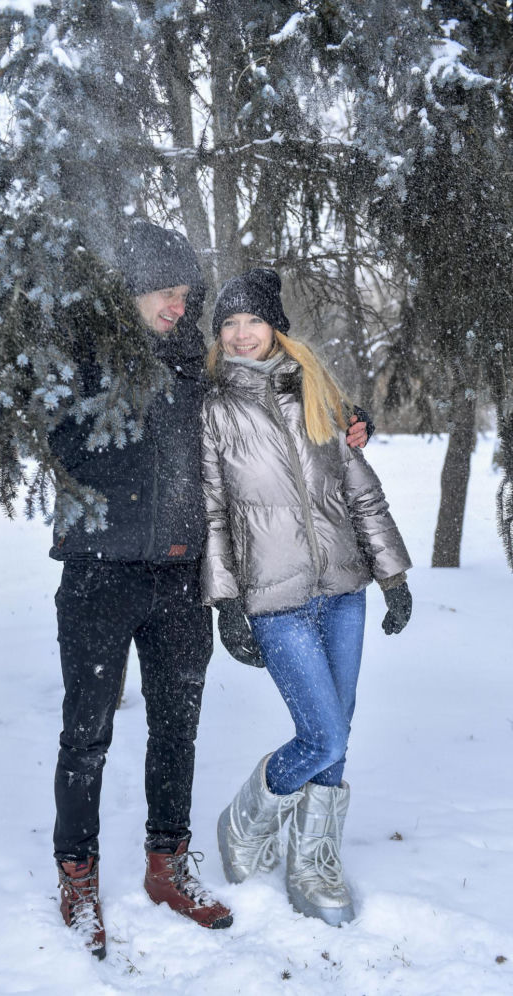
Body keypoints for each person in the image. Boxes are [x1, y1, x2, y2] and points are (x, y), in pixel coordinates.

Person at [49, 225, 372, 958]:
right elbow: (61, 436)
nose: (177, 304)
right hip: (99, 574)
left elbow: (278, 403)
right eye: (163, 291)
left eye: (184, 293)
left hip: (180, 579)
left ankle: (167, 863)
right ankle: (78, 875)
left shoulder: (201, 370)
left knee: (176, 729)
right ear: (130, 289)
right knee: (86, 734)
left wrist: (351, 419)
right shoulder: (85, 358)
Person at [200, 267, 412, 927]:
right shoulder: (213, 409)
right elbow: (212, 514)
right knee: (322, 737)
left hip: (345, 591)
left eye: (253, 321)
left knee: (337, 737)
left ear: (276, 329)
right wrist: (225, 602)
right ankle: (246, 818)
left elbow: (360, 491)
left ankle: (314, 859)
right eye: (230, 324)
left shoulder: (318, 392)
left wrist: (393, 576)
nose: (241, 334)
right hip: (275, 599)